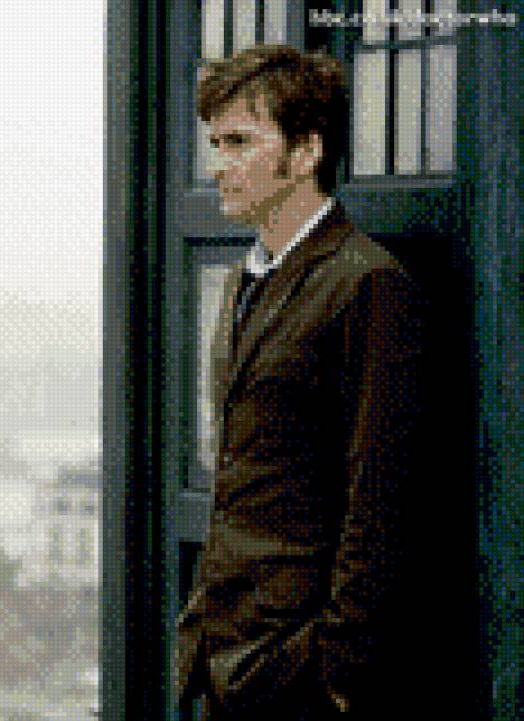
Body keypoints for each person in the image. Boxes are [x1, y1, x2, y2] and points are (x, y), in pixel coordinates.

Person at [174, 45, 425, 719]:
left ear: (307, 150)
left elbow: (380, 496)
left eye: (240, 142)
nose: (219, 164)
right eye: (215, 144)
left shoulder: (368, 283)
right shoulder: (243, 279)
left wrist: (338, 668)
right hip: (225, 660)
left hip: (300, 673)